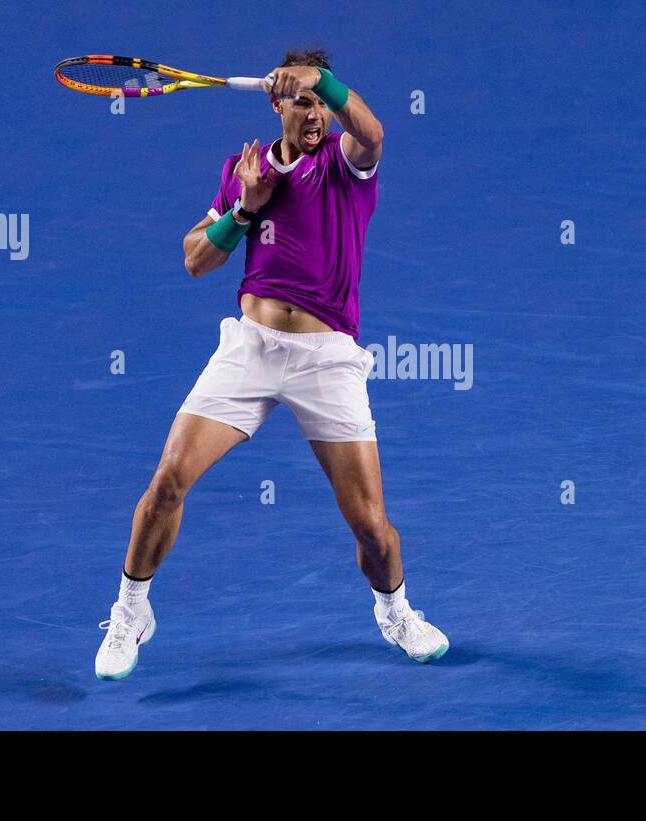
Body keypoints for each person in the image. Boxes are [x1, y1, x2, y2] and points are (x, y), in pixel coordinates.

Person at [94, 48, 449, 680]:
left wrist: (328, 84)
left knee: (371, 526)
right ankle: (130, 612)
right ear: (276, 103)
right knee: (168, 482)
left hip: (327, 360)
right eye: (304, 102)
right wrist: (247, 207)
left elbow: (373, 132)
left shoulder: (346, 161)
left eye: (322, 102)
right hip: (250, 350)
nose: (316, 116)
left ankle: (394, 610)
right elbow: (195, 260)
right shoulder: (244, 168)